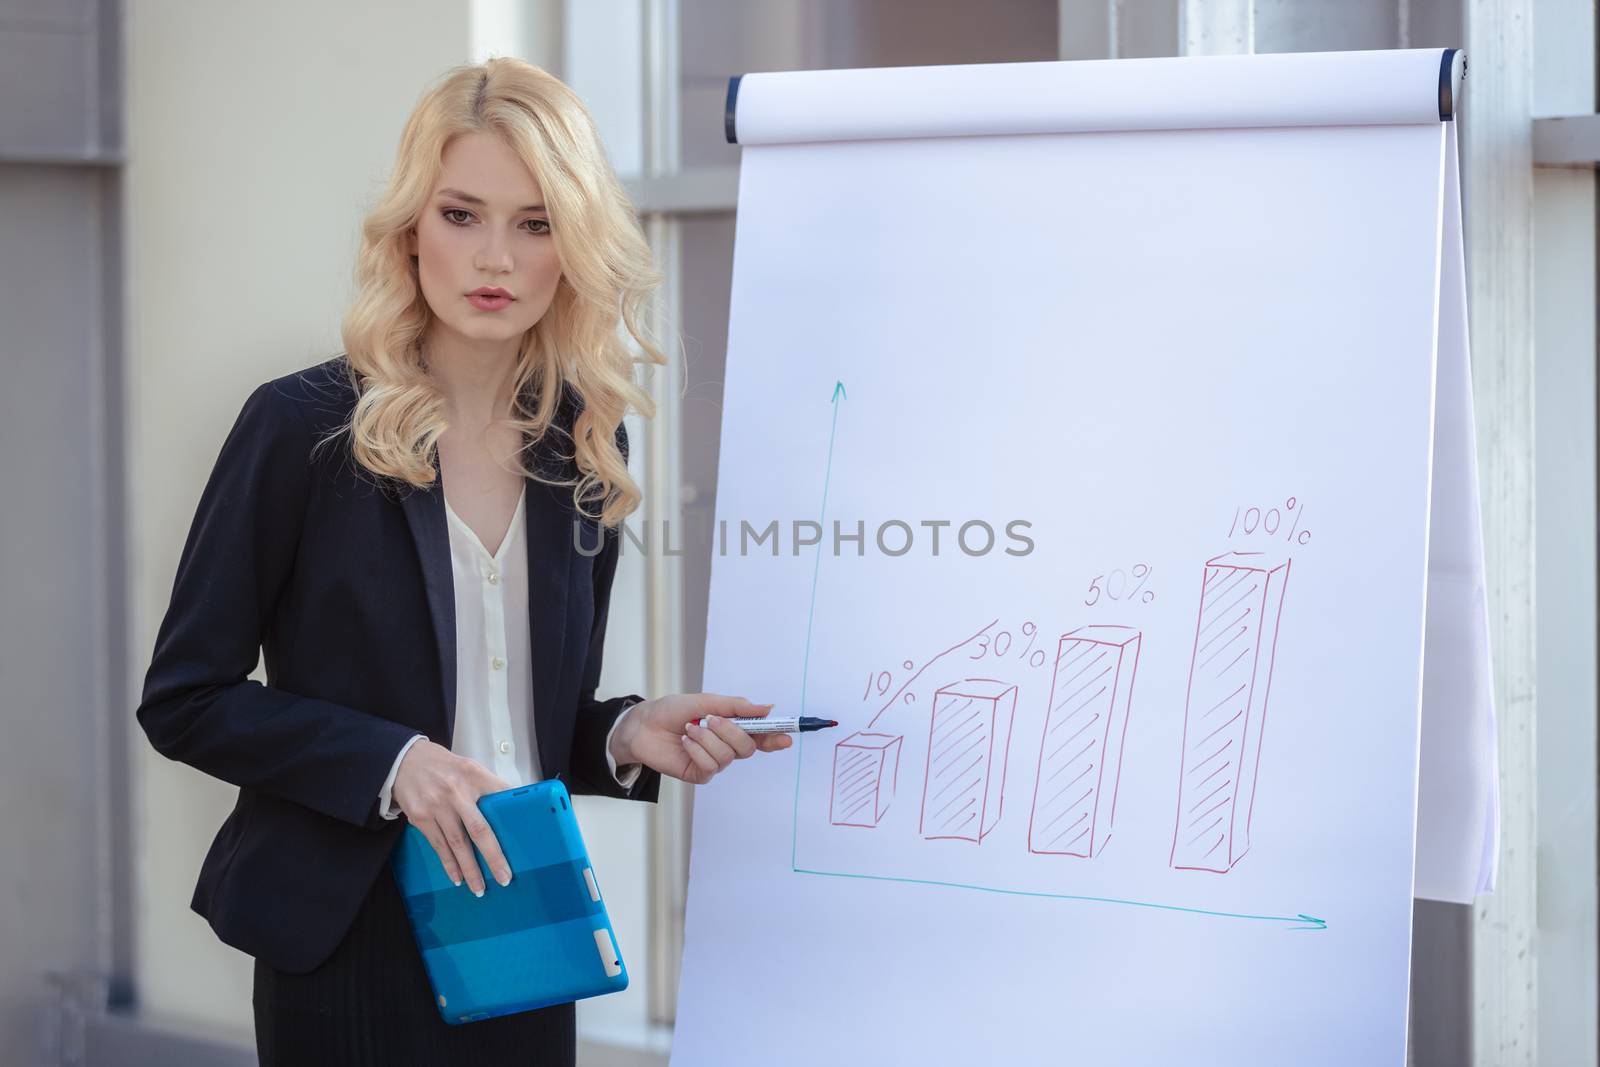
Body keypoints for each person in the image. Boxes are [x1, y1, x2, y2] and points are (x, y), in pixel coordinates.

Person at [134, 56, 787, 1065]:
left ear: (573, 246)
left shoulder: (584, 447)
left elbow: (528, 722)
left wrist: (625, 729)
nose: (496, 257)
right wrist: (394, 763)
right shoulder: (300, 427)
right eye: (461, 214)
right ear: (410, 228)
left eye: (535, 223)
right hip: (348, 933)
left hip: (526, 915)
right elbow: (186, 696)